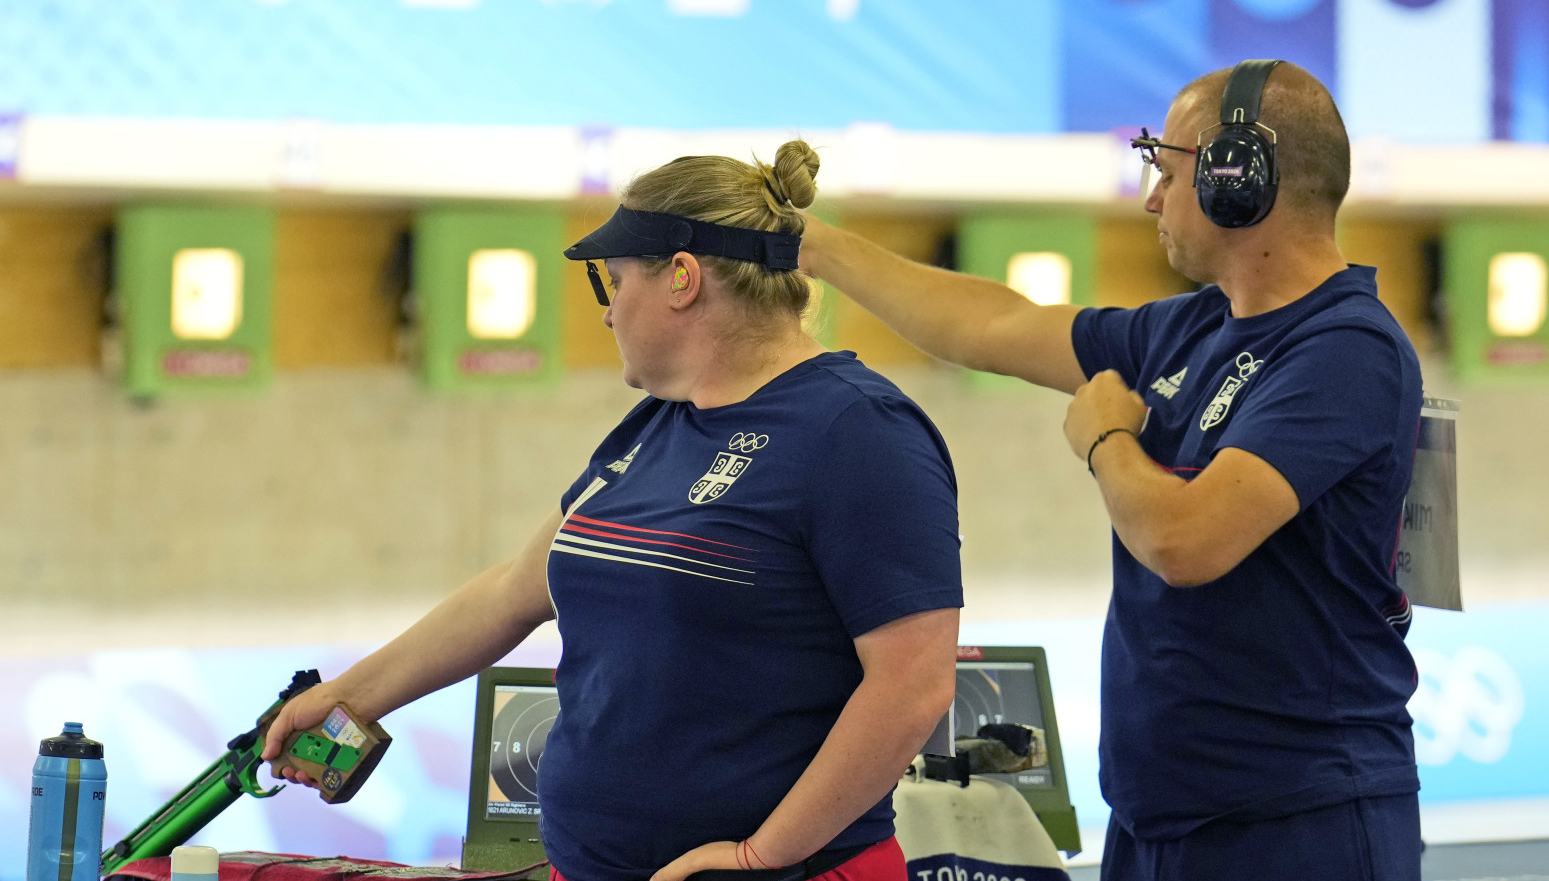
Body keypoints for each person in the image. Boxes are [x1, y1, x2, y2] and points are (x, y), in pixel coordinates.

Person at [260, 140, 964, 881]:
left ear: (682, 279)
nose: (607, 314)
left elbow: (911, 681)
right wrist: (348, 694)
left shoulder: (859, 430)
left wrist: (762, 853)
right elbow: (512, 592)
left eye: (615, 282)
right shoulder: (659, 421)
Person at [798, 61, 1423, 881]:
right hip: (1165, 814)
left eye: (1165, 171)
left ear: (1240, 178)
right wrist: (812, 244)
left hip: (1294, 821)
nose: (1150, 199)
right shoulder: (1195, 328)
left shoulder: (1345, 349)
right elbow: (991, 325)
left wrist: (1105, 440)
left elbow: (1184, 539)